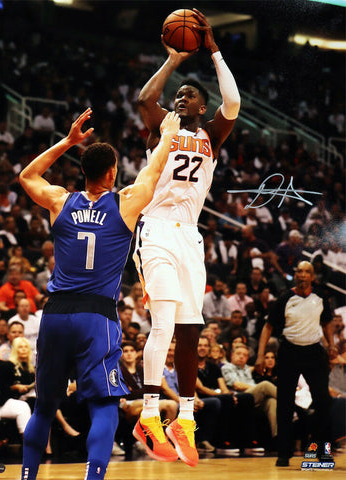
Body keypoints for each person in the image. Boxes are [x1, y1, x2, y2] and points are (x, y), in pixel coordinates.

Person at [18, 107, 181, 480]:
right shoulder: (124, 203)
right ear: (111, 173)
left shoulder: (60, 201)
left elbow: (27, 175)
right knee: (105, 405)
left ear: (83, 171)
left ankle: (26, 476)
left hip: (56, 313)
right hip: (97, 317)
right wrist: (169, 132)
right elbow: (154, 171)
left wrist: (69, 140)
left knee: (44, 407)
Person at [132, 8, 240, 467]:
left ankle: (186, 418)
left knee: (192, 330)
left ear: (202, 107)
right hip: (156, 227)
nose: (180, 98)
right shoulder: (167, 127)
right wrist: (174, 61)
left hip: (190, 238)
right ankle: (151, 413)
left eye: (189, 96)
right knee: (161, 324)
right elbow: (144, 97)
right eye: (178, 95)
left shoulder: (213, 134)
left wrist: (213, 49)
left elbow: (232, 103)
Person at [255, 261, 336, 467]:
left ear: (312, 276)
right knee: (284, 403)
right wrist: (260, 355)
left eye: (307, 271)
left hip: (314, 352)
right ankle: (284, 453)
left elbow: (326, 323)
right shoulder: (285, 297)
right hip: (289, 351)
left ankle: (318, 447)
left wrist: (332, 346)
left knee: (324, 401)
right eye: (299, 271)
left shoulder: (320, 297)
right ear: (296, 275)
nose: (302, 275)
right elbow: (268, 327)